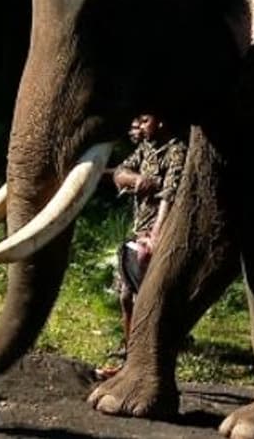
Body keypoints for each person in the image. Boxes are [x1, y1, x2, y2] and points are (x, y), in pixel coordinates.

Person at [94, 113, 186, 380]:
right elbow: (120, 172)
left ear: (161, 122)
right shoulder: (146, 148)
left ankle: (148, 362)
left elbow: (170, 194)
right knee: (126, 296)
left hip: (160, 235)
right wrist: (137, 180)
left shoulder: (177, 150)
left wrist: (157, 235)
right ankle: (129, 358)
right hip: (139, 232)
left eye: (145, 121)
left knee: (149, 300)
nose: (139, 127)